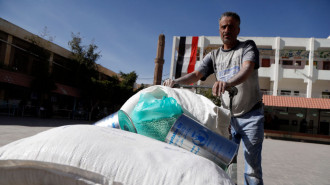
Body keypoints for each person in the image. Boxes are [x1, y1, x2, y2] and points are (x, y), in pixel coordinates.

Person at [163, 12, 264, 185]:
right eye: (223, 26)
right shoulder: (214, 56)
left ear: (238, 29)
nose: (227, 30)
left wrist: (228, 83)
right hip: (227, 118)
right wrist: (175, 82)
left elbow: (247, 69)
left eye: (231, 26)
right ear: (219, 29)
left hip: (251, 116)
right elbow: (196, 74)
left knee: (252, 169)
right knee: (224, 164)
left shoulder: (247, 47)